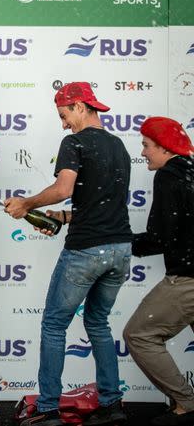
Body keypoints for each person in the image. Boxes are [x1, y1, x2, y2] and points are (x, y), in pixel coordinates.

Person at [5, 82, 132, 426]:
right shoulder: (120, 146)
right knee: (98, 324)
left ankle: (47, 410)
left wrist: (27, 203)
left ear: (79, 106)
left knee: (54, 325)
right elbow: (101, 206)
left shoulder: (73, 142)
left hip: (86, 250)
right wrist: (60, 218)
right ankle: (112, 405)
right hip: (120, 250)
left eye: (64, 115)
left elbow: (63, 189)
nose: (63, 124)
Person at [123, 117, 194, 426]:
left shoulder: (169, 175)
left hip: (188, 278)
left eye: (147, 146)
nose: (143, 152)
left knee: (139, 334)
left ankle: (186, 403)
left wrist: (118, 242)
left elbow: (160, 237)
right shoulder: (191, 169)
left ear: (165, 149)